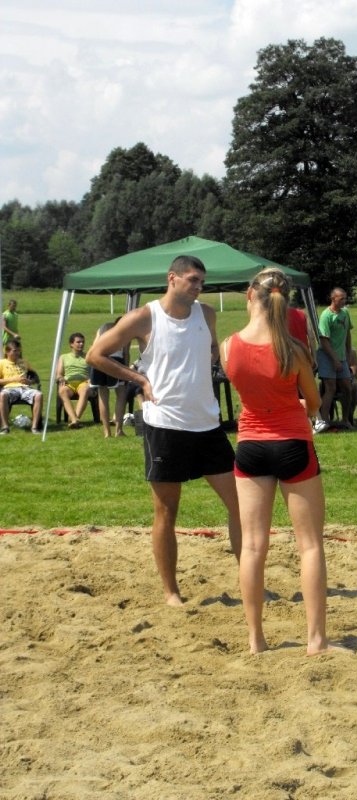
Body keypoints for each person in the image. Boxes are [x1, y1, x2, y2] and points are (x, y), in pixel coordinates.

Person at [86, 255, 241, 606]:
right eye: (193, 280)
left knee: (240, 505)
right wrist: (139, 379)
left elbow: (212, 349)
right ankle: (171, 592)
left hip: (208, 423)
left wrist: (213, 359)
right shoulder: (145, 316)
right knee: (167, 512)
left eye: (202, 281)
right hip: (165, 425)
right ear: (172, 278)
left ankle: (250, 580)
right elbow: (96, 354)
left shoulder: (207, 314)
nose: (199, 287)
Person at [220, 267, 343, 655]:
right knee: (310, 546)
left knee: (253, 546)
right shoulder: (294, 349)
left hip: (251, 446)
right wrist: (298, 403)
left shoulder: (228, 346)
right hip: (292, 444)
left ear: (249, 295)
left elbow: (247, 390)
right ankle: (316, 640)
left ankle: (256, 640)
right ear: (285, 302)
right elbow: (315, 403)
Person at [314, 287, 353, 432]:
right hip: (326, 356)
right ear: (333, 299)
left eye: (345, 298)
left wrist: (348, 353)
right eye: (341, 298)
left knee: (348, 388)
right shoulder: (326, 316)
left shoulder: (345, 313)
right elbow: (324, 341)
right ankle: (324, 421)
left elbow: (347, 334)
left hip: (341, 357)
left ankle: (345, 419)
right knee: (331, 388)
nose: (344, 301)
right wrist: (335, 360)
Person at [89, 318, 130, 438]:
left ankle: (106, 432)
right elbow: (126, 353)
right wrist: (126, 370)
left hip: (99, 360)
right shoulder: (126, 331)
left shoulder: (102, 328)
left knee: (103, 397)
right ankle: (119, 430)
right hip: (116, 360)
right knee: (121, 395)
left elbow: (94, 345)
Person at [0, 340, 42, 434]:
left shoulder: (24, 362)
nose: (17, 353)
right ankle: (5, 427)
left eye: (19, 350)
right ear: (7, 352)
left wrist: (30, 381)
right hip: (9, 389)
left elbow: (36, 377)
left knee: (38, 395)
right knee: (2, 395)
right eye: (15, 351)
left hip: (25, 388)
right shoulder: (2, 363)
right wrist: (12, 379)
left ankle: (35, 427)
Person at [56, 332, 93, 428]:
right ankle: (75, 420)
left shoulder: (88, 356)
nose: (81, 344)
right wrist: (60, 378)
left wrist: (91, 380)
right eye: (78, 342)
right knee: (62, 391)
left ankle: (75, 419)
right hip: (69, 383)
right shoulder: (63, 357)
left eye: (83, 342)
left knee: (85, 390)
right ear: (71, 344)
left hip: (84, 382)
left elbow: (94, 372)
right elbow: (59, 373)